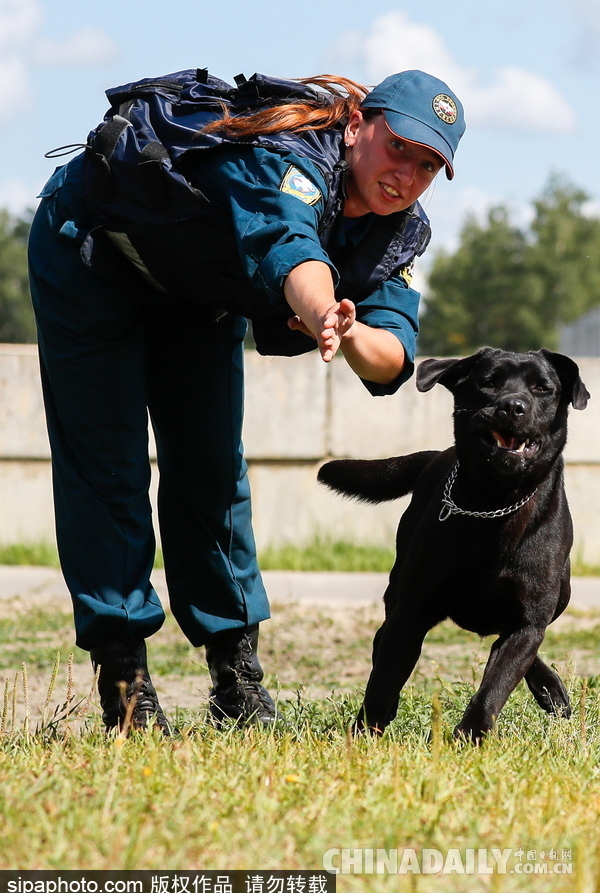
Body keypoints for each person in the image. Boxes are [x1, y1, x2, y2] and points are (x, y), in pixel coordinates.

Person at [27, 67, 465, 734]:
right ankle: (125, 684)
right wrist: (324, 308)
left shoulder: (395, 230)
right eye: (398, 146)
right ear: (357, 127)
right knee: (107, 466)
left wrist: (348, 333)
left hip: (198, 291)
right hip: (94, 251)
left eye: (429, 165)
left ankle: (236, 681)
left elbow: (393, 359)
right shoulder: (284, 159)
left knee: (212, 471)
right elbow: (290, 249)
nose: (406, 173)